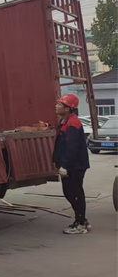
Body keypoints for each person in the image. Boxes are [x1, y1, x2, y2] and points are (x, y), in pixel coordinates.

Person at [52, 94, 91, 234]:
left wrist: (65, 166)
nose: (56, 106)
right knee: (70, 192)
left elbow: (72, 147)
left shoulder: (73, 123)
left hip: (75, 166)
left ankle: (80, 223)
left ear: (68, 108)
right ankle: (81, 220)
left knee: (74, 193)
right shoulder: (64, 121)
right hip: (70, 165)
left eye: (59, 104)